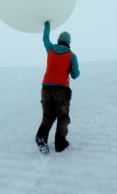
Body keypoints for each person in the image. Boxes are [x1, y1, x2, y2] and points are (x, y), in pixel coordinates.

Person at [35, 21, 80, 153]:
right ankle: (60, 143)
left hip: (46, 88)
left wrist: (47, 25)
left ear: (59, 40)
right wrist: (70, 70)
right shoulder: (72, 56)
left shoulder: (50, 49)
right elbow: (75, 75)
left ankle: (41, 138)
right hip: (61, 90)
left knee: (48, 116)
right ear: (69, 42)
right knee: (63, 117)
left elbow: (45, 38)